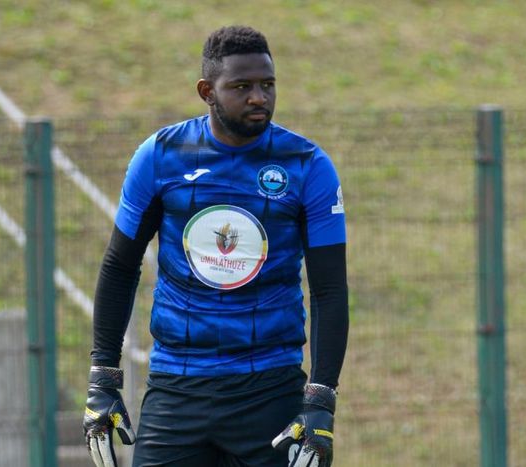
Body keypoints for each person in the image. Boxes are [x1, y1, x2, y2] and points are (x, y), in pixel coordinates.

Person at [83, 25, 349, 467]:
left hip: (271, 390)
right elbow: (119, 266)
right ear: (207, 91)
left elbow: (329, 290)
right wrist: (102, 380)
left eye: (267, 85)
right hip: (176, 389)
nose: (259, 98)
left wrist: (321, 399)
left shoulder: (307, 166)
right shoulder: (160, 156)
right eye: (242, 87)